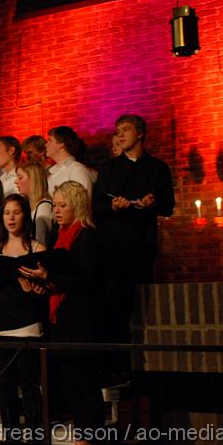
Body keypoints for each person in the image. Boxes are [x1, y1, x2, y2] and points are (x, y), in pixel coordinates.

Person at [18, 181, 105, 445]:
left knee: (85, 381)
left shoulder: (86, 235)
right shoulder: (61, 235)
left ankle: (91, 438)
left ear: (76, 205)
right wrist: (39, 287)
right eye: (54, 205)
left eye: (62, 205)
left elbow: (88, 280)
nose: (56, 210)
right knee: (72, 382)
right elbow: (62, 281)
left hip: (81, 319)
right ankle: (82, 436)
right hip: (63, 318)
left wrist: (49, 277)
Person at [93, 114, 175, 346]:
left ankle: (141, 358)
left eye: (125, 129)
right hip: (112, 246)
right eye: (117, 130)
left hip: (141, 245)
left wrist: (152, 203)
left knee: (140, 305)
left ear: (140, 133)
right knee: (113, 304)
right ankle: (116, 364)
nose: (119, 134)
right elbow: (97, 205)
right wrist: (113, 205)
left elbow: (168, 206)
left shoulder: (158, 168)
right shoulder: (109, 168)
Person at [0, 195, 47, 442]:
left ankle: (35, 435)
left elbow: (46, 291)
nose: (10, 217)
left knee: (30, 384)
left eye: (16, 212)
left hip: (27, 323)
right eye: (6, 212)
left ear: (24, 215)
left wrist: (32, 290)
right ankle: (11, 436)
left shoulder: (37, 248)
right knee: (5, 386)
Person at [45, 126, 94, 197]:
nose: (46, 145)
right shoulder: (52, 171)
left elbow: (81, 204)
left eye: (50, 140)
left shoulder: (77, 170)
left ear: (61, 144)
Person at [15, 161, 54, 247]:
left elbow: (41, 245)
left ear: (33, 179)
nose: (15, 181)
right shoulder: (27, 206)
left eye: (20, 178)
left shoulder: (44, 206)